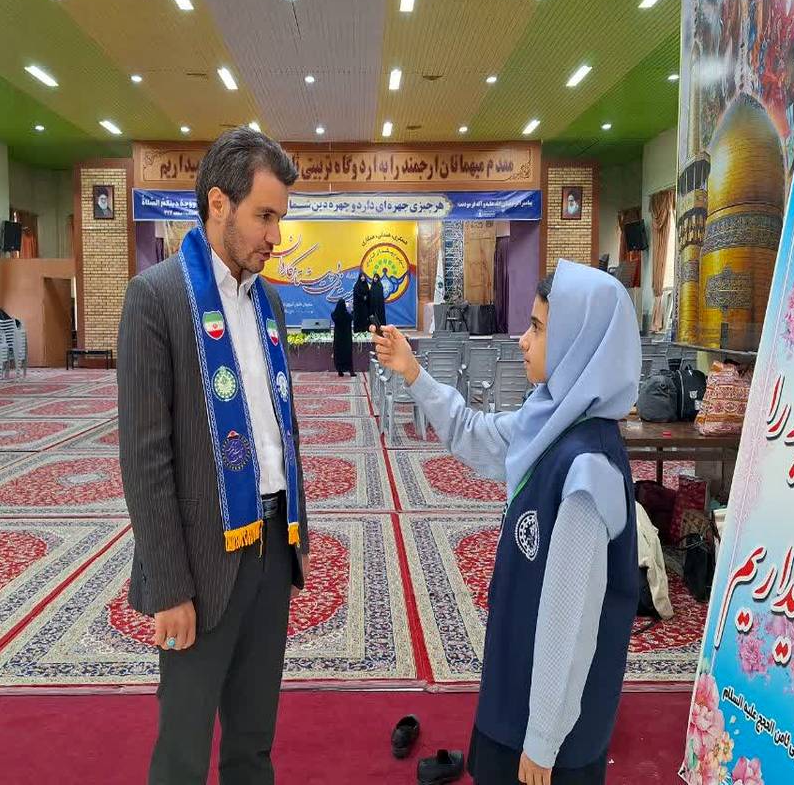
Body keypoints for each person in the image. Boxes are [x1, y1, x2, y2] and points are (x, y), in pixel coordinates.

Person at [373, 261, 641, 785]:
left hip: (552, 731)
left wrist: (542, 741)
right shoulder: (551, 421)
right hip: (520, 682)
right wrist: (413, 372)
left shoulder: (588, 469)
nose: (523, 340)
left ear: (579, 343)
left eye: (538, 327)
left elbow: (569, 621)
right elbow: (473, 432)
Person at [117, 126, 311, 785]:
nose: (276, 236)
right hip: (200, 565)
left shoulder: (268, 301)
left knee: (253, 745)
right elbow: (145, 458)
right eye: (265, 216)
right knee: (183, 753)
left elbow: (282, 428)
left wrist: (297, 533)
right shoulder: (157, 298)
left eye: (280, 219)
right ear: (218, 204)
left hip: (272, 548)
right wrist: (169, 585)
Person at [331, 299, 355, 377]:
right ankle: (351, 371)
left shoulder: (334, 315)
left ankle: (340, 371)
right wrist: (352, 309)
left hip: (338, 339)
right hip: (346, 339)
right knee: (347, 354)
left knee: (338, 354)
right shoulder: (347, 315)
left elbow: (334, 316)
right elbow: (352, 317)